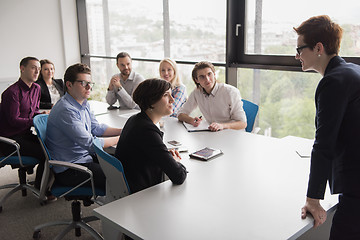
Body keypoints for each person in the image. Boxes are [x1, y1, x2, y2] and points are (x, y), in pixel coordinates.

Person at [294, 15, 360, 239]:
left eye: (300, 49)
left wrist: (312, 199)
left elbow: (324, 144)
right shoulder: (352, 71)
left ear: (318, 47)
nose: (297, 56)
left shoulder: (333, 82)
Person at [46, 63, 122, 192]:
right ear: (69, 85)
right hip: (71, 168)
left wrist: (124, 130)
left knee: (124, 165)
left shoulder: (82, 102)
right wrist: (120, 138)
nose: (88, 87)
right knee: (119, 178)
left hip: (85, 158)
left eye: (90, 83)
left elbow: (96, 128)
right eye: (83, 83)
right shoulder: (66, 110)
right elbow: (91, 144)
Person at [115, 78, 187, 194]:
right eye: (166, 95)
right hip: (142, 194)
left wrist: (166, 158)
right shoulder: (147, 130)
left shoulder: (136, 119)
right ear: (151, 102)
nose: (172, 100)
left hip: (133, 184)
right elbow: (178, 176)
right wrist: (176, 162)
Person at [0, 56, 53, 198]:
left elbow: (33, 111)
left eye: (38, 68)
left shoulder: (36, 88)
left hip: (26, 134)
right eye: (33, 67)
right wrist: (36, 119)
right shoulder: (11, 93)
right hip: (10, 140)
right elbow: (13, 121)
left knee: (53, 146)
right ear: (22, 69)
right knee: (46, 154)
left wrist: (43, 114)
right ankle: (42, 189)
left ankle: (42, 184)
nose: (37, 71)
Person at [177, 61, 247, 132]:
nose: (207, 79)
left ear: (214, 74)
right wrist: (192, 120)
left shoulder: (230, 92)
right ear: (197, 80)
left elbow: (242, 124)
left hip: (233, 134)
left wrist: (222, 126)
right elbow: (180, 114)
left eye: (209, 74)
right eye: (202, 77)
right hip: (213, 134)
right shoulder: (197, 93)